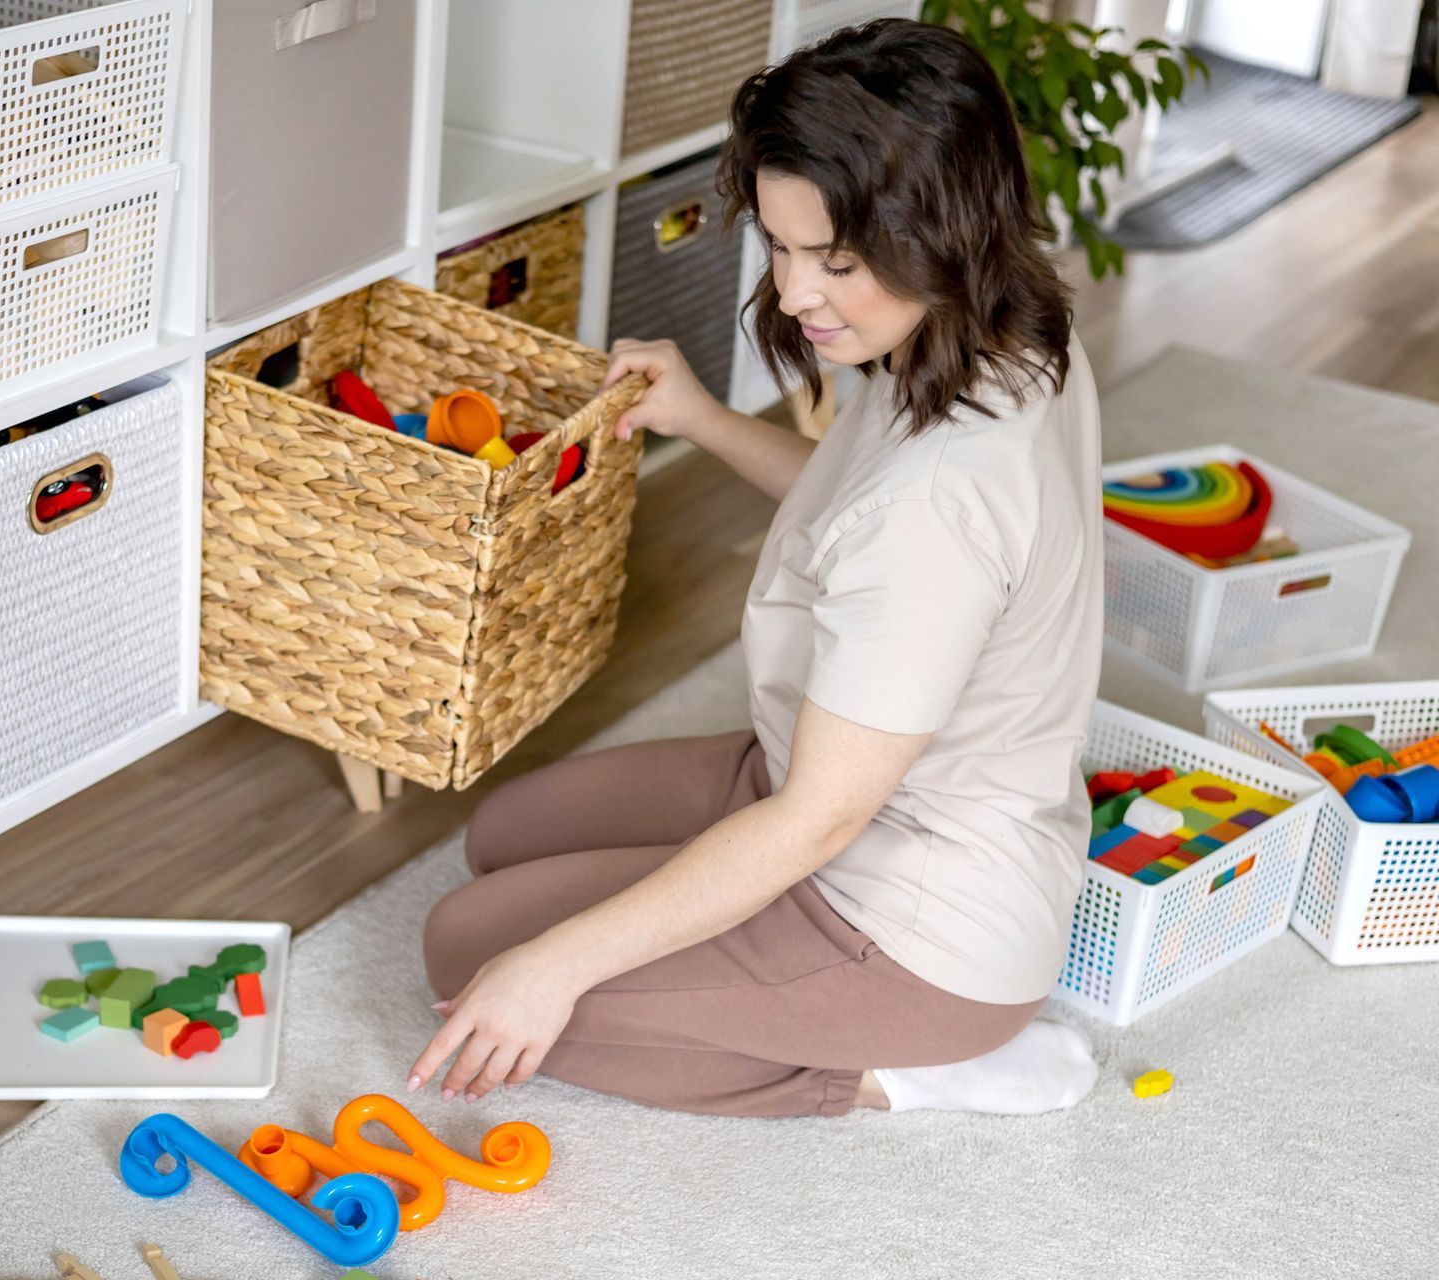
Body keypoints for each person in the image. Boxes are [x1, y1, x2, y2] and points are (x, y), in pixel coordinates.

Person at [410, 18, 1105, 1118]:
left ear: (940, 229)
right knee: (500, 841)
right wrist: (701, 417)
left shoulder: (937, 505)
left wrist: (555, 967)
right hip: (839, 782)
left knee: (471, 957)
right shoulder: (998, 329)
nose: (791, 294)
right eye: (781, 246)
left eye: (836, 262)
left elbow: (816, 823)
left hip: (909, 919)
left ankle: (909, 1072)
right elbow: (851, 508)